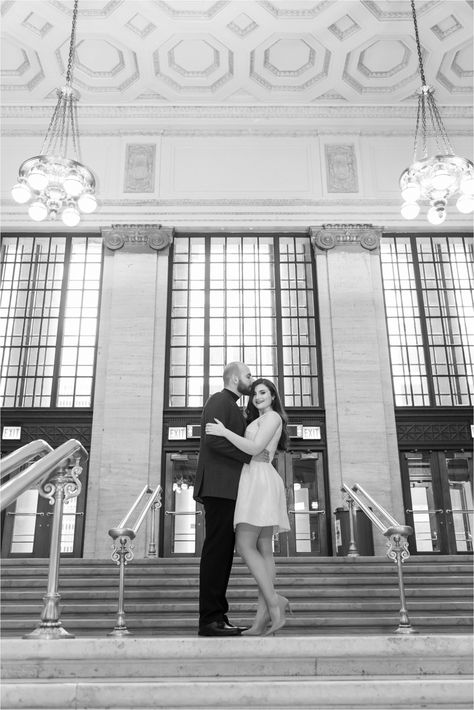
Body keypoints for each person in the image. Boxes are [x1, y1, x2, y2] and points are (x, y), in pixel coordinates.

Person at [206, 378, 291, 636]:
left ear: (273, 395)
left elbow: (255, 448)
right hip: (253, 477)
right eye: (254, 393)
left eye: (263, 392)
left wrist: (224, 432)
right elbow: (252, 449)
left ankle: (274, 600)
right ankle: (261, 618)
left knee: (244, 545)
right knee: (264, 549)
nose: (257, 397)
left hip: (260, 479)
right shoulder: (255, 419)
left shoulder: (274, 417)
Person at [194, 361, 268, 637]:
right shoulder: (219, 400)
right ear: (235, 378)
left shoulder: (232, 404)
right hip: (219, 487)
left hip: (227, 488)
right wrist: (248, 456)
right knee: (217, 552)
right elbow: (213, 440)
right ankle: (210, 620)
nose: (251, 379)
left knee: (223, 553)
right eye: (248, 375)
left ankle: (217, 616)